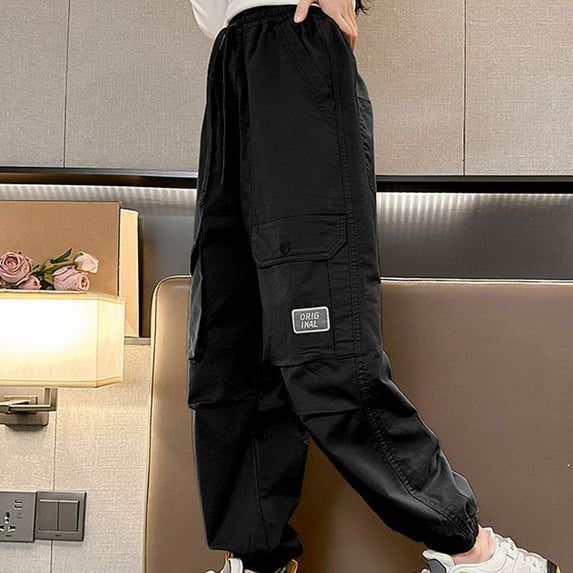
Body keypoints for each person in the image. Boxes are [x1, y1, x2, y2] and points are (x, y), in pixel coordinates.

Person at [186, 1, 560, 572]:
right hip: (230, 56)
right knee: (228, 351)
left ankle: (472, 551)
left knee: (326, 351)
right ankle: (258, 560)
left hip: (294, 38)